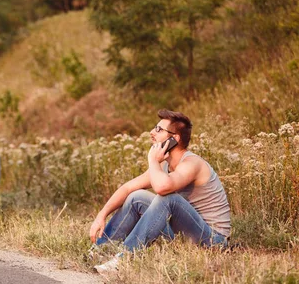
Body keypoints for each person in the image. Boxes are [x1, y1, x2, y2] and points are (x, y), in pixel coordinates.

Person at [88, 109, 230, 272]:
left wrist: (152, 160)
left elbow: (163, 188)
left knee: (168, 199)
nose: (151, 133)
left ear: (174, 139)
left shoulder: (192, 163)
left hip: (212, 240)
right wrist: (102, 214)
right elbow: (127, 187)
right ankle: (100, 251)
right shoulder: (164, 165)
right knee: (136, 197)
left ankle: (124, 260)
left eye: (158, 130)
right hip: (183, 237)